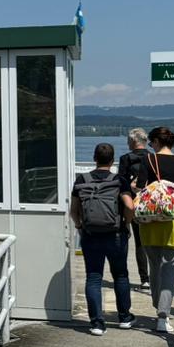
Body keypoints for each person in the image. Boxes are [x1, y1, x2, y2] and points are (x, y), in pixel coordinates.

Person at [70, 142, 136, 335]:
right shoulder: (119, 180)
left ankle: (97, 324)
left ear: (94, 158)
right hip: (116, 234)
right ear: (113, 160)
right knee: (121, 275)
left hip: (90, 235)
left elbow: (74, 210)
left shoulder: (82, 179)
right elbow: (130, 206)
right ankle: (124, 317)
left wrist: (79, 225)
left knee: (93, 277)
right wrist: (126, 223)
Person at [138, 126, 174, 334]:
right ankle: (163, 315)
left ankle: (158, 306)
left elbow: (139, 186)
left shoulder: (148, 160)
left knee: (154, 266)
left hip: (150, 217)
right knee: (169, 267)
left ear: (154, 142)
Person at [118, 127, 154, 288]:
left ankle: (144, 278)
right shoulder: (153, 158)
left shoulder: (126, 158)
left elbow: (121, 182)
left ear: (133, 141)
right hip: (151, 203)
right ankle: (155, 275)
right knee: (152, 241)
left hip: (132, 203)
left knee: (138, 242)